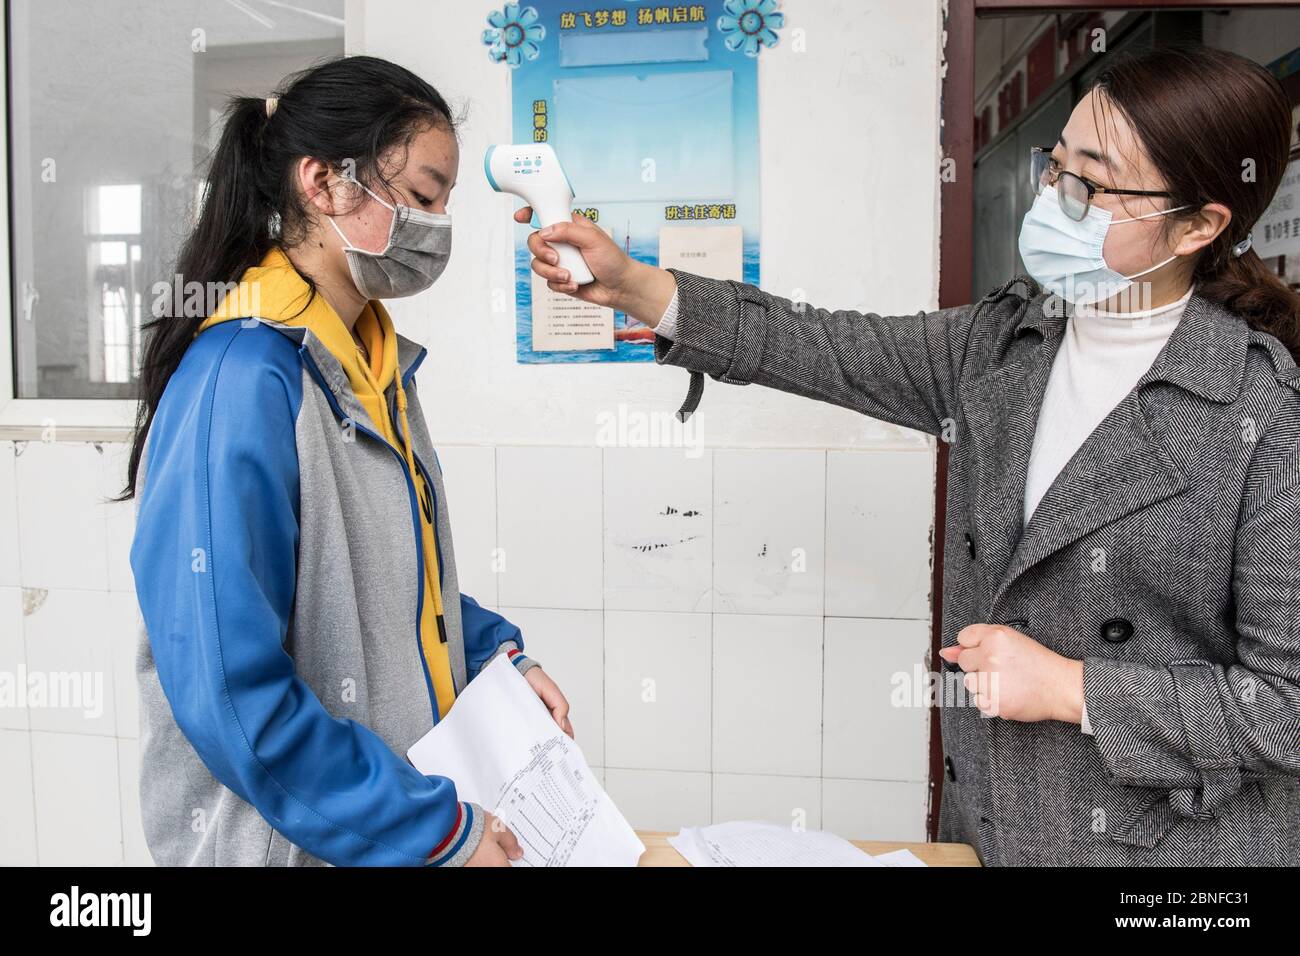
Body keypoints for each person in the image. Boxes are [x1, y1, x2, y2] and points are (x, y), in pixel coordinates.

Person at [517, 44, 1300, 866]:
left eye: (1091, 185)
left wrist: (1075, 690)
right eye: (1054, 165)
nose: (1054, 200)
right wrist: (637, 286)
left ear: (1201, 224)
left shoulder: (1265, 417)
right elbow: (824, 346)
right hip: (998, 832)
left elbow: (1286, 708)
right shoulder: (1008, 341)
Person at [126, 56, 572, 867]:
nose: (439, 226)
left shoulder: (370, 360)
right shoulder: (241, 382)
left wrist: (494, 661)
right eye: (425, 196)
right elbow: (232, 694)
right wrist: (428, 830)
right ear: (324, 184)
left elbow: (383, 578)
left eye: (447, 203)